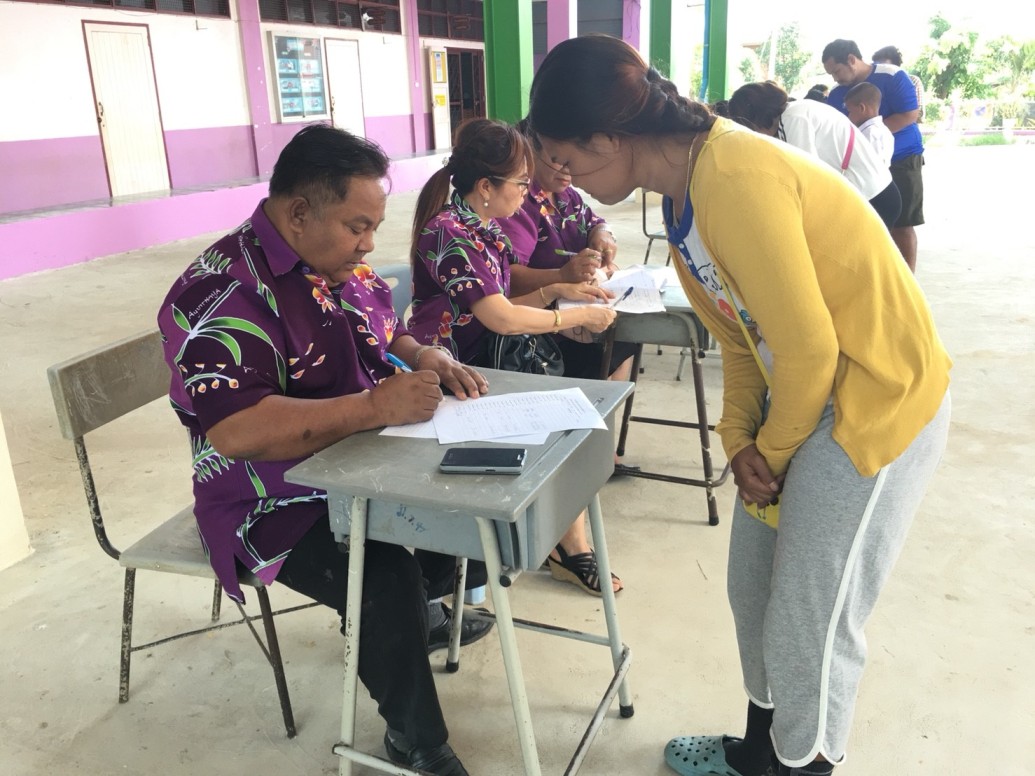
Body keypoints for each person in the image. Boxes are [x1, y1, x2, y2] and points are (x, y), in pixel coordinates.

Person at [529, 34, 951, 776]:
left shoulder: (735, 174)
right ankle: (758, 756)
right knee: (752, 592)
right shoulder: (682, 197)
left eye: (566, 161)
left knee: (809, 620)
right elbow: (737, 336)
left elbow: (810, 350)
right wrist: (737, 439)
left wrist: (770, 453)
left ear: (607, 138)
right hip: (802, 394)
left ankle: (800, 765)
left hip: (876, 396)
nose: (568, 182)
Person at [156, 124, 495, 776]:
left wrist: (425, 354)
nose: (369, 244)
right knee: (382, 574)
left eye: (374, 227)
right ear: (299, 212)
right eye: (357, 226)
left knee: (466, 515)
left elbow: (383, 330)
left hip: (359, 461)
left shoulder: (332, 260)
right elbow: (237, 432)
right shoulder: (221, 293)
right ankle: (416, 742)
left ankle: (414, 621)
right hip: (267, 498)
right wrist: (374, 408)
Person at [407, 117, 624, 597]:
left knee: (577, 411)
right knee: (564, 417)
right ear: (486, 186)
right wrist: (572, 315)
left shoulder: (484, 228)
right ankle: (455, 582)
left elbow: (500, 303)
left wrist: (556, 291)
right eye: (521, 183)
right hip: (453, 372)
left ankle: (554, 539)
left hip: (486, 361)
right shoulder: (448, 234)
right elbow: (500, 317)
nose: (528, 193)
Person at [728, 80, 901, 230]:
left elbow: (805, 180)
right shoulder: (799, 110)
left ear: (754, 118)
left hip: (870, 199)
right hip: (877, 193)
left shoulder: (792, 119)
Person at [822, 39, 924, 272]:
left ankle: (908, 280)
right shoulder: (837, 94)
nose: (835, 79)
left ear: (851, 59)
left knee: (902, 224)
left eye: (836, 71)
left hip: (902, 159)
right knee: (869, 223)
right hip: (858, 169)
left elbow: (909, 114)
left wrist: (868, 136)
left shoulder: (893, 76)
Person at [844, 82, 895, 168]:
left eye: (850, 111)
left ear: (861, 108)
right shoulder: (880, 130)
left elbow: (872, 168)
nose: (848, 116)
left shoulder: (872, 134)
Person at [872, 45, 925, 123]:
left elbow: (918, 114)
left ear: (895, 66)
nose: (880, 69)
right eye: (876, 65)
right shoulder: (871, 85)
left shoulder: (913, 81)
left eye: (884, 66)